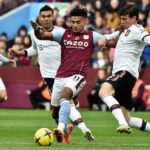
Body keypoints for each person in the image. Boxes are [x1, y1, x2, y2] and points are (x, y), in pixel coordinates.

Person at [9, 5, 94, 144]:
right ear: (40, 18)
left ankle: (79, 129)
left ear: (53, 17)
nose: (46, 19)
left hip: (65, 74)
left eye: (49, 16)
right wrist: (20, 53)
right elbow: (34, 50)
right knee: (56, 111)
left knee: (69, 103)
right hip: (48, 76)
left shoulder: (63, 33)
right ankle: (66, 130)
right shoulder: (34, 34)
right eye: (43, 16)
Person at [31, 6, 105, 143]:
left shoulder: (91, 35)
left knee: (66, 98)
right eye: (73, 22)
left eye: (78, 22)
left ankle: (63, 128)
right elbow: (41, 36)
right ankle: (70, 130)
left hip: (77, 75)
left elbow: (109, 40)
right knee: (55, 111)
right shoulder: (64, 34)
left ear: (85, 21)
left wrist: (105, 40)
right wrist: (37, 31)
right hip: (58, 75)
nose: (75, 25)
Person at [99, 4, 150, 134]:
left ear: (134, 18)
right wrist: (106, 37)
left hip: (125, 71)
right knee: (128, 118)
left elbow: (147, 38)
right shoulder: (125, 30)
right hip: (126, 74)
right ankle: (125, 123)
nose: (122, 22)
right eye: (121, 18)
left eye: (125, 19)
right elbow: (114, 34)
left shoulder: (137, 30)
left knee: (104, 91)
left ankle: (121, 124)